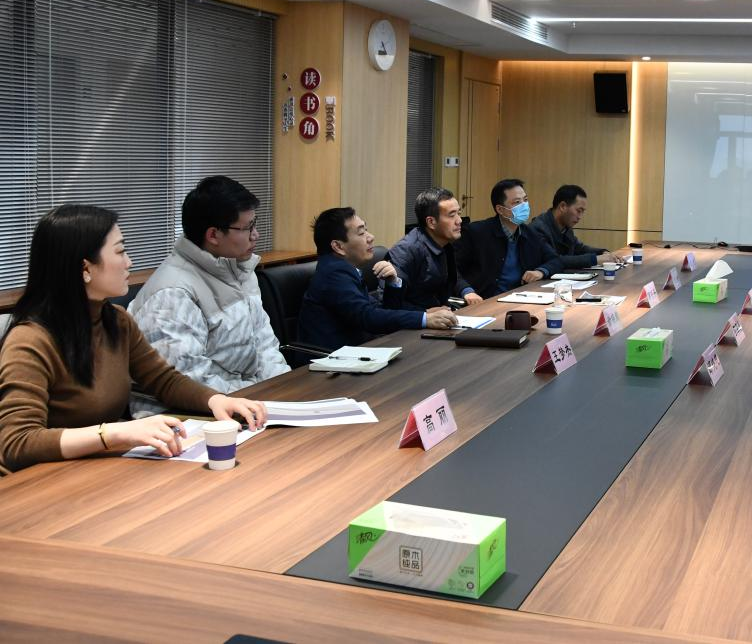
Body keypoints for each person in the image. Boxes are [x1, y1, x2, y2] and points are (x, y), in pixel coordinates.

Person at [0, 205, 266, 475]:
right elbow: (17, 442)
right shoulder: (30, 340)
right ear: (85, 268)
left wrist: (215, 400)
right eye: (120, 251)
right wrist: (114, 433)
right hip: (38, 482)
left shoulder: (115, 320)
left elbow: (163, 380)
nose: (129, 262)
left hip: (94, 469)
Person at [127, 176, 289, 418]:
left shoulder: (239, 270)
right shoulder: (172, 294)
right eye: (247, 228)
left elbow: (265, 346)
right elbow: (189, 381)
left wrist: (283, 392)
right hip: (186, 417)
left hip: (246, 404)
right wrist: (256, 400)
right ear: (213, 235)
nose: (255, 235)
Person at [298, 207, 442, 349]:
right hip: (330, 358)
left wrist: (393, 283)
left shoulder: (342, 269)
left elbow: (381, 312)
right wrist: (424, 319)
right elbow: (367, 317)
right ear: (338, 246)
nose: (371, 237)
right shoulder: (333, 273)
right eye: (361, 233)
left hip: (360, 350)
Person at [457, 179, 563, 299]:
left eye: (525, 200)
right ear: (500, 209)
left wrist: (541, 271)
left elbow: (556, 260)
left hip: (521, 297)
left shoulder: (531, 233)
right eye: (517, 202)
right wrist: (466, 290)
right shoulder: (476, 232)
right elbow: (452, 269)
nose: (524, 205)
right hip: (484, 299)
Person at [389, 188, 481, 316]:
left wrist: (466, 290)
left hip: (441, 315)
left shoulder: (444, 242)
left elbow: (448, 275)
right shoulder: (406, 251)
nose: (459, 220)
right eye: (452, 215)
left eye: (459, 213)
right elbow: (389, 303)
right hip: (413, 322)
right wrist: (425, 313)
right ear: (431, 222)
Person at [529, 185, 613, 270]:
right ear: (563, 206)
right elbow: (555, 260)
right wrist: (595, 259)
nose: (580, 217)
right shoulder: (538, 228)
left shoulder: (566, 227)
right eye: (578, 211)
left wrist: (602, 252)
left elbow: (580, 248)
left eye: (582, 212)